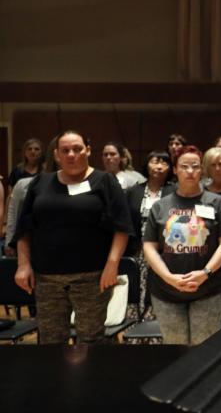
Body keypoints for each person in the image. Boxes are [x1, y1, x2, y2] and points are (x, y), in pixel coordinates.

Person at [13, 130, 133, 344]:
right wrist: (23, 265)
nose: (71, 154)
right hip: (47, 278)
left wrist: (112, 265)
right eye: (65, 150)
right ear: (57, 155)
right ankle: (57, 379)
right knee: (51, 341)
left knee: (91, 339)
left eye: (77, 149)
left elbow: (121, 227)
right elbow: (24, 229)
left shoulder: (104, 181)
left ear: (87, 150)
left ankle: (91, 379)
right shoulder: (41, 182)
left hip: (92, 277)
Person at [142, 146, 221, 345]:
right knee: (175, 347)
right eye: (184, 166)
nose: (190, 171)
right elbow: (149, 246)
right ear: (175, 170)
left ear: (202, 170)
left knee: (204, 347)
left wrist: (205, 272)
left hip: (209, 289)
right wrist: (168, 277)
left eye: (195, 166)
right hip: (166, 291)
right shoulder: (160, 206)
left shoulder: (217, 203)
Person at [124, 150, 176, 321]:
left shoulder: (175, 192)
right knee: (136, 293)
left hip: (164, 254)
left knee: (157, 295)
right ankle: (134, 334)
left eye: (164, 163)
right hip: (137, 252)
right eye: (155, 162)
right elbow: (126, 222)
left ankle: (155, 335)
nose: (159, 167)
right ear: (147, 164)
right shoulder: (134, 191)